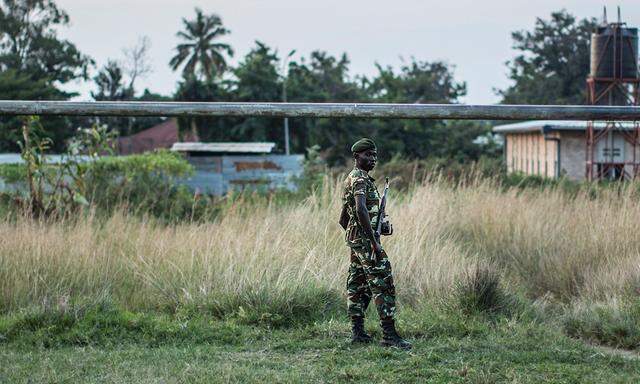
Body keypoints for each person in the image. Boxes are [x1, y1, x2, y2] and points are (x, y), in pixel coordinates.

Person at [339, 138, 412, 350]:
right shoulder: (360, 180)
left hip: (358, 241)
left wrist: (362, 235)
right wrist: (372, 242)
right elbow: (361, 210)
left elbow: (343, 218)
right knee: (383, 283)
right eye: (368, 155)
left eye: (375, 155)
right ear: (356, 156)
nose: (373, 159)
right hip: (367, 242)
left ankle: (358, 333)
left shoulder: (351, 179)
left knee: (358, 286)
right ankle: (389, 336)